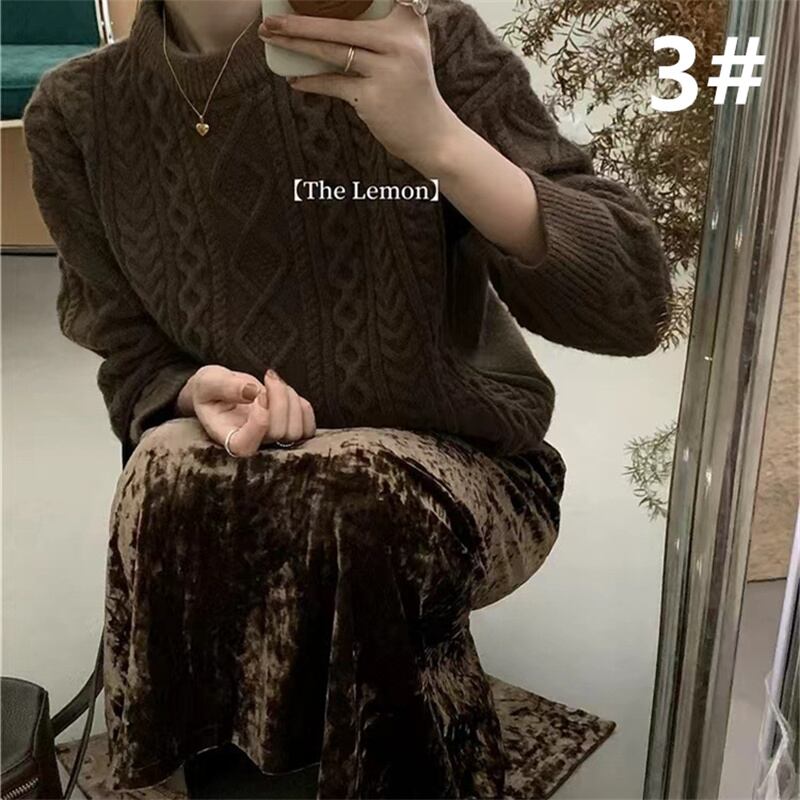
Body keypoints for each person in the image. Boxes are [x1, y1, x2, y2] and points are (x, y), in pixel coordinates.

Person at [22, 0, 671, 796]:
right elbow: (127, 346)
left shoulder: (427, 42)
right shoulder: (77, 111)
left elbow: (632, 307)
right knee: (167, 467)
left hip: (463, 472)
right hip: (245, 470)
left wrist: (436, 138)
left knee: (348, 499)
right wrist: (188, 391)